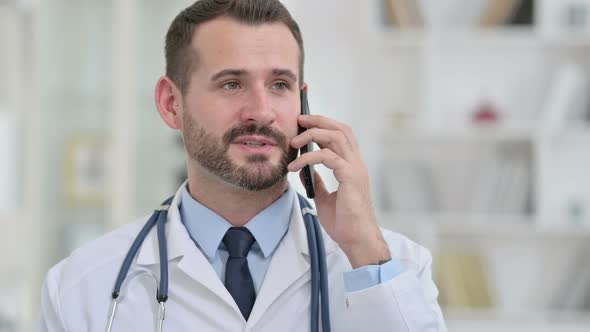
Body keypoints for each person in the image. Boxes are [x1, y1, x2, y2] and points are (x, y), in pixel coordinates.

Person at [39, 0, 447, 331]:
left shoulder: (391, 267)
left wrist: (364, 248)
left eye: (279, 85)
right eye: (231, 83)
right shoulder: (81, 287)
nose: (262, 112)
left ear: (303, 102)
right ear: (171, 104)